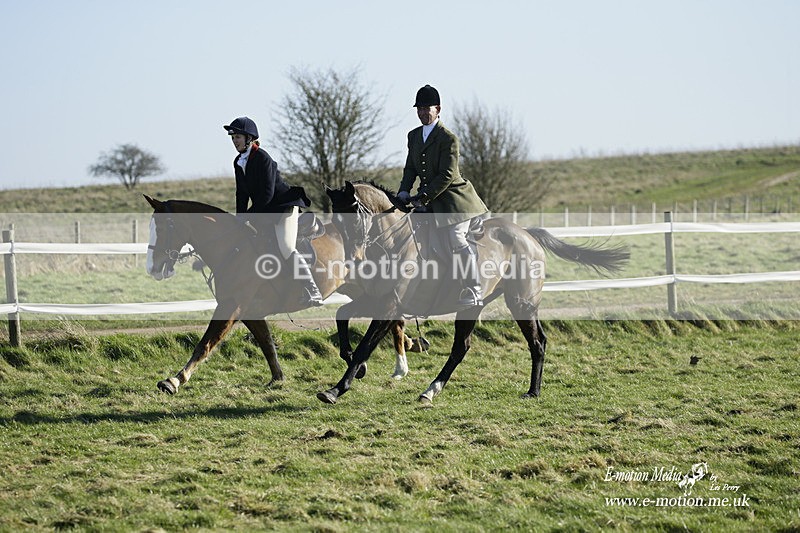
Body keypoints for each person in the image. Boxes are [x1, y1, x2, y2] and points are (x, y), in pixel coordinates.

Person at [397, 85, 489, 307]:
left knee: (456, 238)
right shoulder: (414, 136)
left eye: (426, 108)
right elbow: (410, 168)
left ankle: (474, 288)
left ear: (437, 109)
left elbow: (447, 174)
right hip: (428, 199)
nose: (422, 113)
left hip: (454, 202)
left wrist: (423, 196)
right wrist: (403, 190)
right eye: (419, 109)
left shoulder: (448, 139)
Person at [224, 116, 323, 306]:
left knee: (286, 247)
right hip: (265, 210)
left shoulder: (262, 157)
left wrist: (249, 216)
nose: (234, 141)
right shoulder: (238, 162)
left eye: (237, 137)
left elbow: (268, 194)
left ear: (249, 138)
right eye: (233, 137)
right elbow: (241, 194)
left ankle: (313, 290)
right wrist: (239, 217)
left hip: (283, 206)